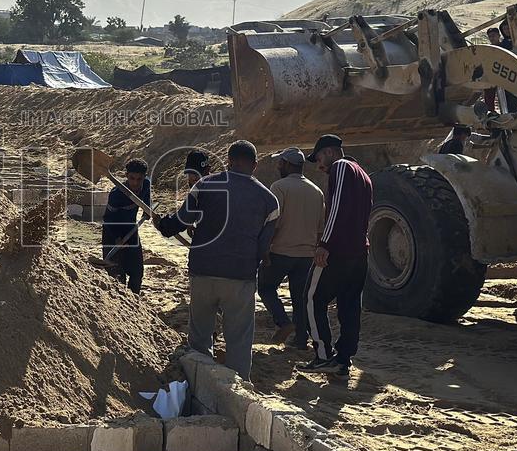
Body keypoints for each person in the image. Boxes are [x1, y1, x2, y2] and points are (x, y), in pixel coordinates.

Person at [154, 140, 279, 380]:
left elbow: (181, 221)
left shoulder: (204, 185)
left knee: (200, 337)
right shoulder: (269, 200)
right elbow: (264, 249)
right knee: (239, 340)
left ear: (229, 161)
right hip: (240, 276)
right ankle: (239, 386)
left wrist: (163, 224)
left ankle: (199, 383)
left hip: (203, 271)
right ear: (254, 165)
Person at [298, 135, 373, 377]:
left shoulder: (340, 168)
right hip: (359, 252)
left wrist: (324, 244)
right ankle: (343, 359)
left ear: (329, 152)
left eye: (318, 158)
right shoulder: (363, 174)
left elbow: (337, 207)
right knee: (350, 306)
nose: (319, 165)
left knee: (311, 298)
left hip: (338, 251)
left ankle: (322, 355)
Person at [257, 147, 324, 349]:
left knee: (266, 288)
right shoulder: (316, 191)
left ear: (286, 164)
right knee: (299, 298)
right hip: (306, 255)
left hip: (281, 251)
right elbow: (321, 228)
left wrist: (265, 248)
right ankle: (301, 341)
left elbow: (273, 223)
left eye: (280, 162)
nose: (278, 165)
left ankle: (284, 323)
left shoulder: (279, 187)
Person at [101, 158, 151, 294]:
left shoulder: (146, 184)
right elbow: (108, 219)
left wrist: (147, 211)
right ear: (126, 176)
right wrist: (117, 238)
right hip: (112, 234)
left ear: (144, 177)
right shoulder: (116, 194)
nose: (135, 182)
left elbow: (146, 201)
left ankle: (134, 303)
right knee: (117, 277)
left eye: (139, 179)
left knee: (137, 273)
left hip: (131, 230)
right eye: (132, 178)